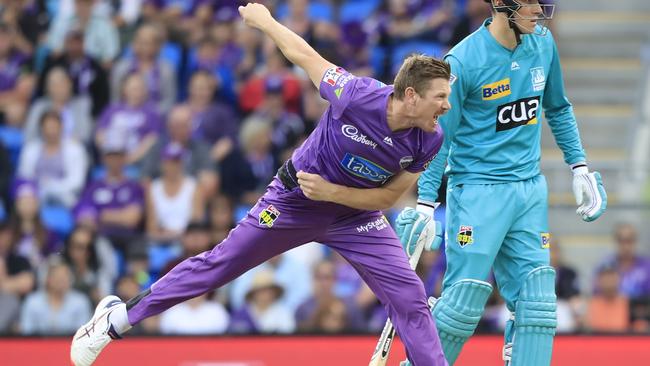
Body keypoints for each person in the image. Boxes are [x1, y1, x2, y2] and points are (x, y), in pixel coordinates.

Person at [70, 3, 451, 365]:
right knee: (218, 266)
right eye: (440, 97)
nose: (447, 106)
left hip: (354, 215)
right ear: (412, 96)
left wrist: (333, 193)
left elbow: (387, 196)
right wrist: (265, 21)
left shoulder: (430, 138)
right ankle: (115, 320)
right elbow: (303, 55)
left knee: (411, 299)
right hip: (292, 203)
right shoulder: (356, 96)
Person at [396, 1, 607, 365]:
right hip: (478, 193)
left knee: (537, 306)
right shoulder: (462, 61)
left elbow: (557, 107)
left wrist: (580, 166)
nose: (540, 10)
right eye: (531, 3)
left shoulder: (543, 43)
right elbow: (439, 137)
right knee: (463, 303)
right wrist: (426, 203)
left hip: (528, 190)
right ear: (501, 5)